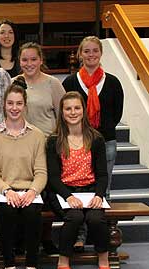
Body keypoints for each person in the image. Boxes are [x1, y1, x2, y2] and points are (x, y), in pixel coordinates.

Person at [46, 91, 115, 269]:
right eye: (68, 108)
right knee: (74, 216)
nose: (73, 112)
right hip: (63, 192)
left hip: (90, 190)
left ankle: (104, 261)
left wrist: (99, 195)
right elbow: (52, 177)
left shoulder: (96, 139)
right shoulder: (54, 141)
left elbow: (102, 174)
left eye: (77, 108)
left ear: (84, 110)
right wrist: (68, 197)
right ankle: (63, 263)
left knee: (96, 218)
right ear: (62, 112)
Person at [62, 36, 123, 251]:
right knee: (79, 188)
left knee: (102, 191)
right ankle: (80, 235)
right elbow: (65, 111)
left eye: (94, 51)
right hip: (76, 143)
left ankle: (100, 237)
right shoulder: (70, 82)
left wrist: (97, 134)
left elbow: (116, 114)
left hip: (105, 141)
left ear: (100, 53)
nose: (90, 55)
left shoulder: (113, 82)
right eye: (86, 51)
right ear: (80, 54)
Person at [0, 77, 47, 269]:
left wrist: (32, 191)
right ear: (4, 105)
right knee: (8, 212)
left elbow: (41, 172)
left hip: (30, 190)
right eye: (10, 103)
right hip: (2, 191)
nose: (14, 108)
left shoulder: (37, 135)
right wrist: (7, 191)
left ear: (25, 106)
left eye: (19, 103)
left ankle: (31, 265)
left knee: (31, 212)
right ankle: (9, 264)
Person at [17, 41, 65, 254]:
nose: (29, 64)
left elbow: (64, 115)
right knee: (24, 193)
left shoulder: (52, 84)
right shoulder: (14, 82)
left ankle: (45, 238)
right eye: (25, 60)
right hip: (20, 147)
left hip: (47, 147)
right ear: (19, 61)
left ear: (41, 60)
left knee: (45, 194)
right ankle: (23, 239)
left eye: (33, 59)